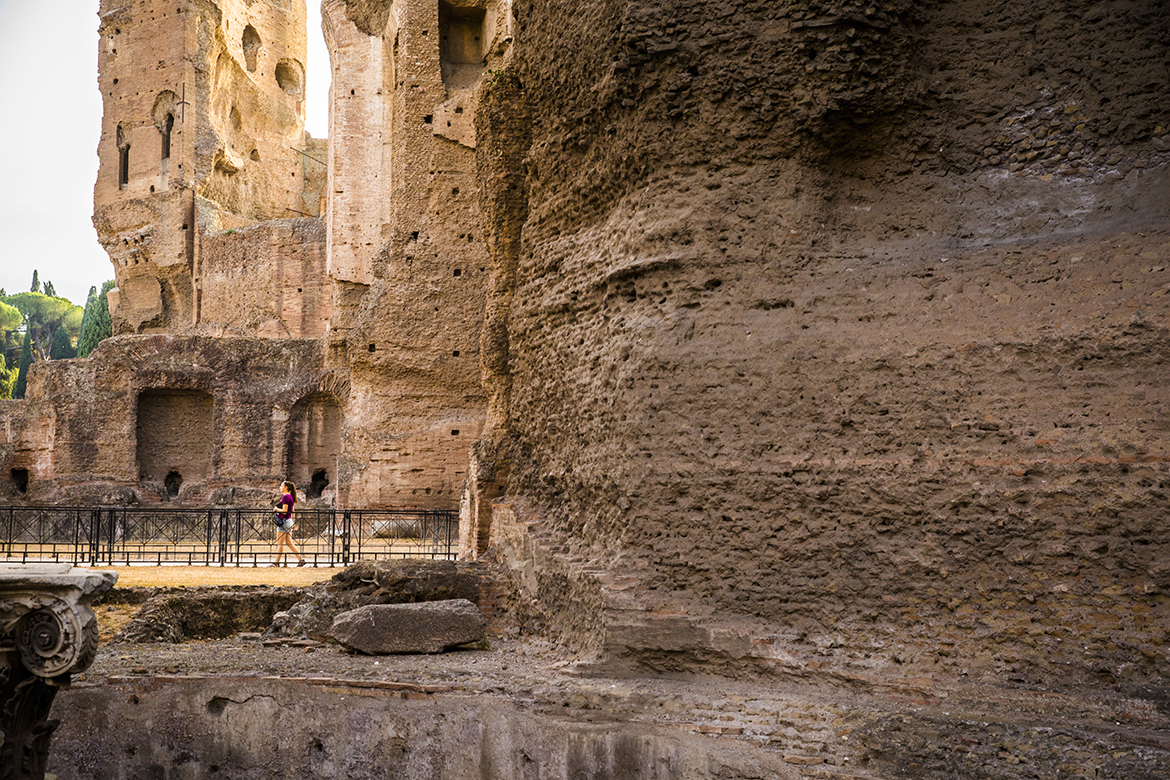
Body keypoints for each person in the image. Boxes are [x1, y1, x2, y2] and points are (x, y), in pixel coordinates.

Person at [272, 480, 306, 567]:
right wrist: (293, 523)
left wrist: (276, 510)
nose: (280, 488)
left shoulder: (285, 497)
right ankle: (301, 559)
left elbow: (285, 511)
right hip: (289, 521)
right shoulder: (290, 497)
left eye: (281, 486)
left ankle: (276, 563)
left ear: (286, 487)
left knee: (280, 544)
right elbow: (292, 511)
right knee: (289, 543)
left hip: (284, 521)